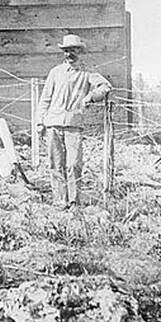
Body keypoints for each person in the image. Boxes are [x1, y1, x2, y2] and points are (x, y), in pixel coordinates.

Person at [37, 35, 112, 207]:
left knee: (74, 164)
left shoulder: (87, 73)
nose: (69, 54)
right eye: (66, 50)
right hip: (53, 123)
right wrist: (40, 122)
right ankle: (59, 200)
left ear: (80, 51)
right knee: (56, 163)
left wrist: (91, 97)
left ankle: (74, 201)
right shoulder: (55, 72)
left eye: (73, 50)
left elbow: (105, 86)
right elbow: (45, 99)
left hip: (73, 124)